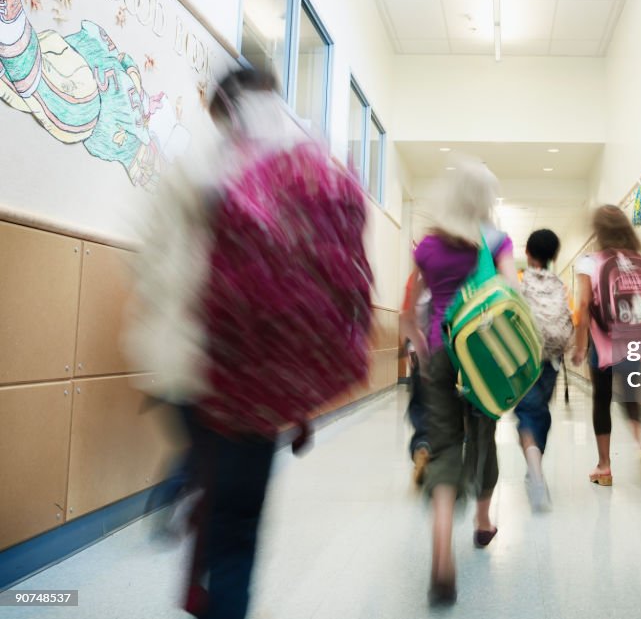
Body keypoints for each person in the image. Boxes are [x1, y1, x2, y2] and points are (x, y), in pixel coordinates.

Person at [126, 68, 372, 619]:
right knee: (238, 525)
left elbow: (146, 266)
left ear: (218, 109)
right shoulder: (296, 175)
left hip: (187, 369)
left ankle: (195, 542)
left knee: (216, 495)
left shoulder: (191, 168)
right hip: (256, 381)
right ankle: (210, 577)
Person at [400, 161, 517, 607]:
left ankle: (442, 554)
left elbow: (407, 314)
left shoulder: (427, 247)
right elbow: (510, 296)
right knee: (484, 439)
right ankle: (483, 521)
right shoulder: (496, 241)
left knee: (445, 446)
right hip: (484, 360)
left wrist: (424, 349)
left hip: (441, 355)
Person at [571, 205, 641, 499]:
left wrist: (579, 344)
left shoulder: (589, 262)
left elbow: (584, 306)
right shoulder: (640, 260)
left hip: (603, 345)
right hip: (635, 342)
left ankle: (604, 466)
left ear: (598, 232)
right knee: (632, 402)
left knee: (602, 400)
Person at [515, 229, 574, 512]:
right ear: (553, 257)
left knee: (526, 412)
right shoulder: (559, 283)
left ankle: (535, 470)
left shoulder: (521, 283)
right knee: (541, 412)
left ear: (527, 252)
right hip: (552, 358)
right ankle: (534, 467)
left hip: (525, 358)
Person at [400, 265, 431, 486]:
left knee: (421, 405)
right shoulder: (468, 265)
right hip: (457, 354)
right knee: (454, 408)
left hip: (423, 353)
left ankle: (422, 447)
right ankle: (449, 460)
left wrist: (411, 348)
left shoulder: (418, 273)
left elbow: (407, 316)